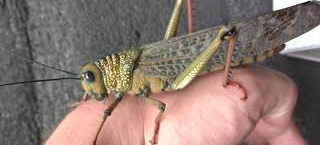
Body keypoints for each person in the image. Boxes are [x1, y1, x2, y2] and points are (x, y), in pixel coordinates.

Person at [46, 66, 306, 145]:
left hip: (178, 73)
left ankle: (226, 79)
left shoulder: (122, 83)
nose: (90, 90)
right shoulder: (116, 79)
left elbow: (158, 107)